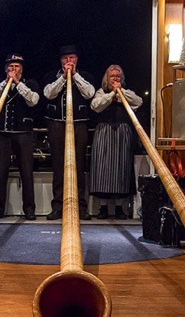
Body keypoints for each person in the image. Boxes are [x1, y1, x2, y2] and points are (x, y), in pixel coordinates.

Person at [43, 45, 95, 220]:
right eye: (65, 59)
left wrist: (75, 76)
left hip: (79, 125)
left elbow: (89, 94)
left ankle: (80, 207)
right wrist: (64, 77)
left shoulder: (85, 76)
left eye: (72, 58)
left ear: (76, 60)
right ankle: (58, 206)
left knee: (79, 166)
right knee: (58, 166)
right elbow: (48, 94)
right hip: (57, 124)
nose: (69, 61)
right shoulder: (51, 76)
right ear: (61, 61)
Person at [0, 53, 40, 221]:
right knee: (0, 171)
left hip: (23, 133)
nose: (13, 69)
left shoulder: (30, 83)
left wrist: (17, 83)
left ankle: (29, 209)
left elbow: (33, 100)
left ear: (21, 70)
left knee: (26, 172)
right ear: (6, 69)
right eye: (10, 66)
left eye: (17, 67)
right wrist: (6, 82)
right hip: (2, 134)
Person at [90, 64, 143, 219]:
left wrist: (121, 92)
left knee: (121, 168)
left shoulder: (127, 92)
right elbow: (96, 106)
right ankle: (103, 207)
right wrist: (112, 93)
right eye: (112, 76)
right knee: (102, 169)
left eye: (118, 76)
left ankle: (120, 207)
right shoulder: (101, 92)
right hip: (104, 132)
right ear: (107, 78)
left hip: (121, 133)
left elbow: (138, 102)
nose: (115, 79)